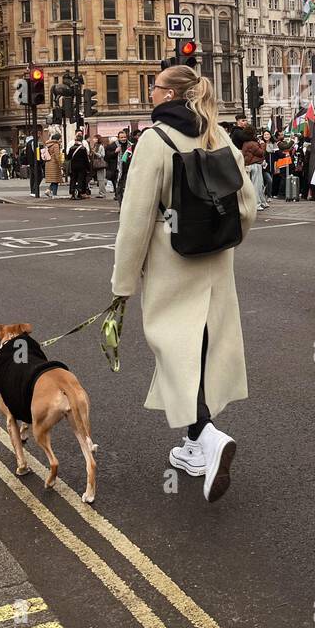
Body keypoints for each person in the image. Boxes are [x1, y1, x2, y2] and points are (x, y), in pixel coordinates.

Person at [110, 66, 256, 501]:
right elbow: (247, 205)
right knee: (204, 350)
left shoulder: (154, 140)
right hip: (215, 263)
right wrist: (225, 238)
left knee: (174, 351)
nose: (149, 93)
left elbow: (134, 220)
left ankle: (208, 437)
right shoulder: (217, 135)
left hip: (173, 264)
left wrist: (122, 284)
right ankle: (194, 447)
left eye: (153, 87)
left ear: (168, 93)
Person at [240, 127, 268, 210]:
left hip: (249, 165)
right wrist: (263, 144)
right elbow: (261, 153)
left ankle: (262, 202)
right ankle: (257, 204)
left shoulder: (245, 143)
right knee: (257, 185)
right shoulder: (252, 143)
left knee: (258, 184)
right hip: (255, 165)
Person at [44, 130, 63, 198]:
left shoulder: (48, 144)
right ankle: (54, 194)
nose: (61, 139)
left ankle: (48, 190)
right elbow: (57, 156)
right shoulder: (56, 145)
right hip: (54, 164)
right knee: (56, 179)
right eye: (60, 138)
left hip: (48, 163)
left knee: (54, 179)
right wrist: (60, 164)